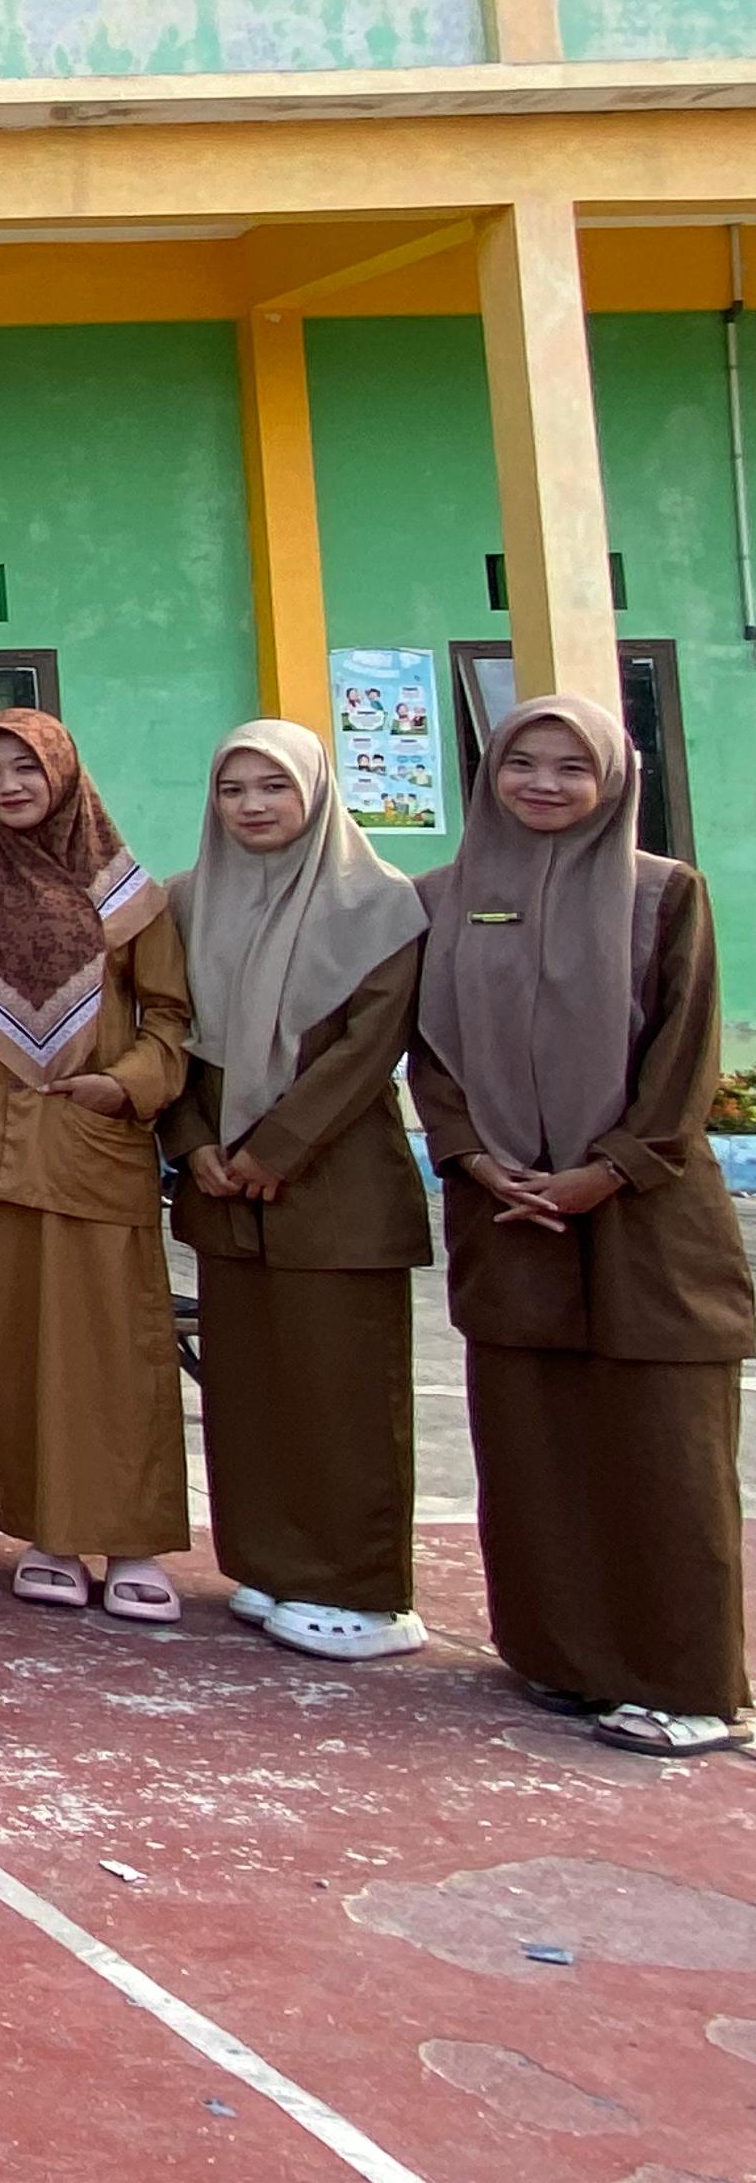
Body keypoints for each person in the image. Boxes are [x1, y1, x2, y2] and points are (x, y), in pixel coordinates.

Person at [407, 695, 746, 1754]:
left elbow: (685, 1058)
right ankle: (559, 1656)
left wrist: (612, 1169)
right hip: (508, 1207)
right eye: (522, 764)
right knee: (534, 1438)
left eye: (570, 767)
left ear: (614, 780)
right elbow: (433, 1053)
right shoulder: (443, 899)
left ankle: (688, 1684)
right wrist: (470, 1158)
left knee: (662, 1444)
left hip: (644, 1215)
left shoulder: (661, 895)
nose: (544, 785)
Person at [162, 718, 429, 1663]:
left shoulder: (382, 905)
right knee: (252, 1390)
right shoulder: (190, 902)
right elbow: (173, 1033)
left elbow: (368, 1050)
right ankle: (272, 1565)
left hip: (334, 1185)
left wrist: (275, 1148)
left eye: (272, 787)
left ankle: (364, 1591)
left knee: (343, 1389)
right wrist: (193, 1142)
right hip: (225, 1186)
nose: (253, 807)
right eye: (234, 790)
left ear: (314, 793)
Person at [0, 709, 193, 1623]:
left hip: (91, 1145)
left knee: (118, 1346)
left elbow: (171, 1022)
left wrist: (126, 1086)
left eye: (25, 769)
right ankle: (48, 1535)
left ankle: (135, 1539)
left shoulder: (128, 896)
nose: (9, 787)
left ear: (64, 776)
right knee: (13, 1348)